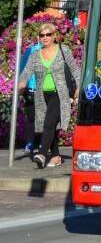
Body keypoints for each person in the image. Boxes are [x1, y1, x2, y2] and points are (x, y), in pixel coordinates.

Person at [17, 27, 80, 168]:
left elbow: (75, 70)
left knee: (48, 123)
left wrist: (78, 87)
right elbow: (26, 71)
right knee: (48, 126)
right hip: (41, 96)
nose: (45, 37)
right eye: (42, 35)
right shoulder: (35, 55)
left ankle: (42, 153)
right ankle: (56, 156)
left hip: (59, 95)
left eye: (48, 34)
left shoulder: (63, 50)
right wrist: (21, 83)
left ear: (54, 36)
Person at [17, 40, 43, 154]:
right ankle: (42, 143)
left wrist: (20, 91)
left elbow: (22, 70)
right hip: (43, 90)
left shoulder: (30, 50)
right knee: (45, 119)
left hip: (31, 90)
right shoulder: (52, 50)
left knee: (31, 119)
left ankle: (30, 143)